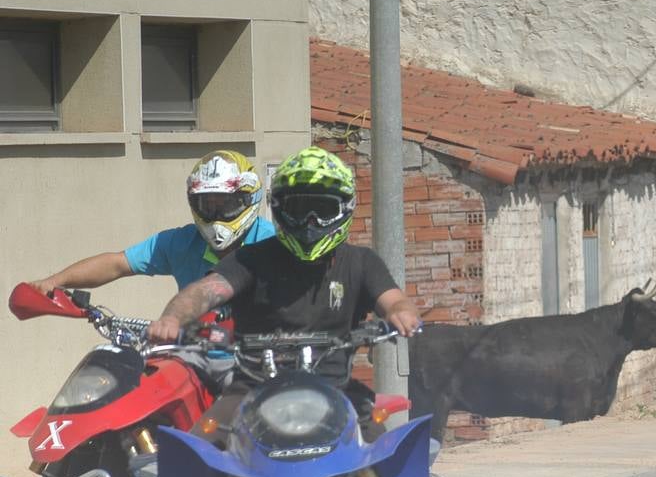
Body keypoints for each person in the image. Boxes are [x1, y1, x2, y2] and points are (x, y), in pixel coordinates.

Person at [147, 146, 421, 439]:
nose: (310, 222)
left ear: (344, 208)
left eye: (322, 210)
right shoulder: (250, 259)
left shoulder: (361, 262)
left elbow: (394, 300)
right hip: (251, 390)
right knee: (195, 455)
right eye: (299, 210)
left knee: (386, 457)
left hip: (336, 390)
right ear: (279, 209)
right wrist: (172, 318)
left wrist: (401, 314)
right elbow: (205, 291)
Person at [30, 150, 274, 294]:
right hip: (194, 357)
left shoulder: (273, 244)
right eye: (207, 205)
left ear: (248, 199)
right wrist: (54, 281)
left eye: (225, 204)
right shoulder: (182, 242)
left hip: (257, 362)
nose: (216, 213)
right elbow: (118, 263)